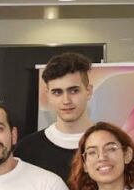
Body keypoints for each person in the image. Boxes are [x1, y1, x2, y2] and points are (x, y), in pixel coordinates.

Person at [17, 52, 95, 180]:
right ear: (48, 95)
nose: (66, 100)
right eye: (57, 92)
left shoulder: (112, 145)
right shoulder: (26, 150)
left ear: (88, 91)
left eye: (74, 91)